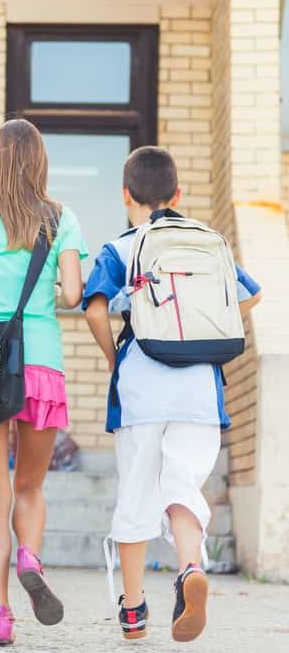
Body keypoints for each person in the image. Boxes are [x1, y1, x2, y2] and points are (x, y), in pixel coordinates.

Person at [82, 146, 261, 643]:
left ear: (125, 196)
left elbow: (96, 310)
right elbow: (253, 294)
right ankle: (188, 570)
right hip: (200, 388)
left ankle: (135, 610)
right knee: (183, 488)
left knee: (137, 493)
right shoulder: (211, 243)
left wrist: (114, 358)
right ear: (178, 194)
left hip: (142, 385)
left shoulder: (120, 247)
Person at [0, 118, 86, 646]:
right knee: (31, 485)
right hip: (42, 364)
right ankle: (30, 554)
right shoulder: (60, 216)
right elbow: (73, 294)